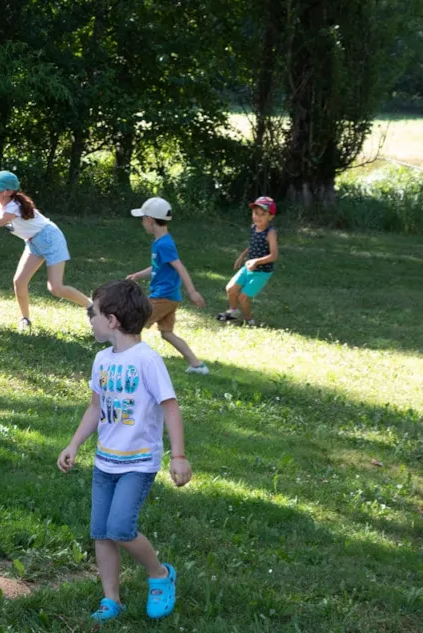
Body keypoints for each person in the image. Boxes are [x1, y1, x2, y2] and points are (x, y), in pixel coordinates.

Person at [58, 279, 192, 622]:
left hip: (137, 464)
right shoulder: (102, 360)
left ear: (113, 320)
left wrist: (178, 456)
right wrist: (74, 443)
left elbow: (170, 407)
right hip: (105, 462)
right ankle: (111, 600)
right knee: (101, 532)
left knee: (120, 527)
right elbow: (94, 408)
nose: (91, 320)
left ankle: (160, 574)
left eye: (95, 314)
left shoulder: (147, 360)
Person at [0, 170, 90, 331]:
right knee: (19, 282)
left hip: (51, 239)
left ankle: (90, 306)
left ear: (8, 192)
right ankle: (25, 319)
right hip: (33, 242)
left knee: (55, 288)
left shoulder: (13, 207)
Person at [127, 198, 209, 375]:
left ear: (149, 220)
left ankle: (137, 365)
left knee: (134, 324)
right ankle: (197, 365)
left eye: (142, 219)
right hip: (169, 297)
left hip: (162, 296)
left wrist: (192, 292)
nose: (142, 223)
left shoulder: (164, 244)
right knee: (167, 333)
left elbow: (180, 267)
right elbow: (159, 266)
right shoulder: (161, 241)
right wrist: (139, 274)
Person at [217, 196, 278, 326]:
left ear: (270, 217)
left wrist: (256, 262)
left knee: (243, 297)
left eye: (263, 214)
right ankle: (233, 313)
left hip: (262, 272)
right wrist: (242, 256)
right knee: (230, 288)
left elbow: (274, 255)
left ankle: (248, 321)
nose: (258, 217)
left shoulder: (270, 232)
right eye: (256, 213)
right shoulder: (253, 227)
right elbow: (254, 244)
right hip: (248, 267)